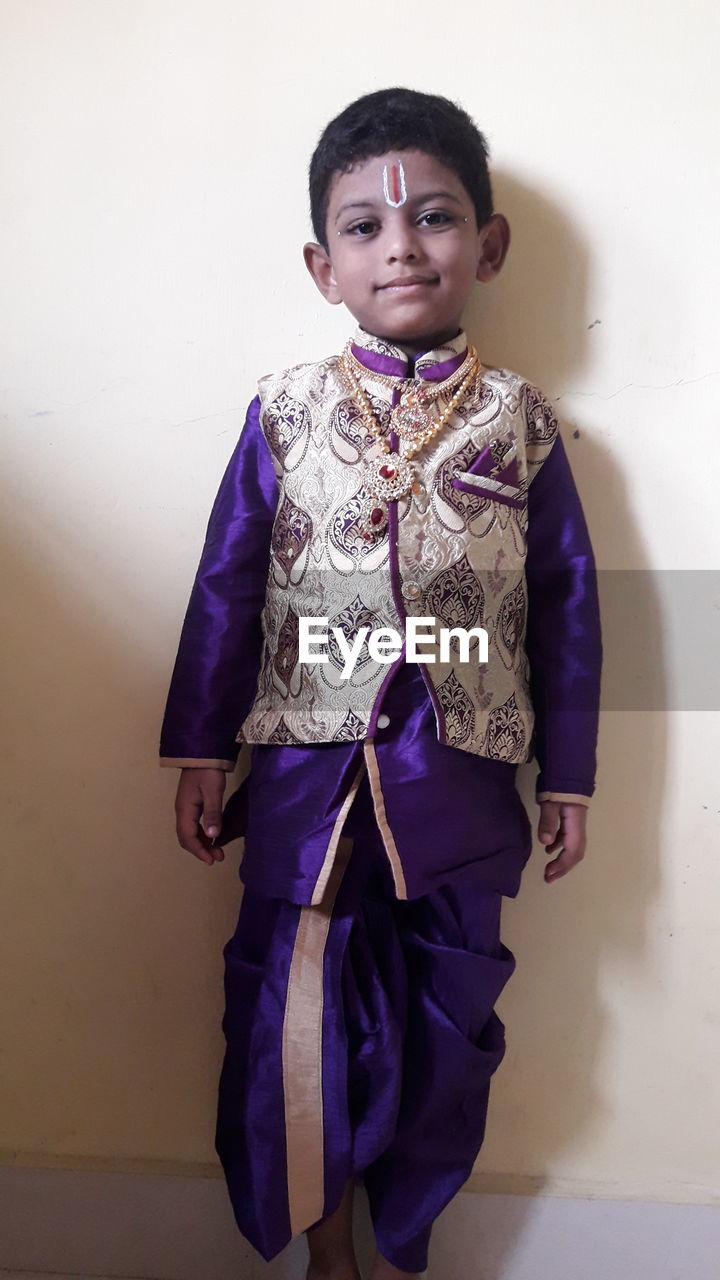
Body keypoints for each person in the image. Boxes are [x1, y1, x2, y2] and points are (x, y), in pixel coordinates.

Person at [159, 87, 602, 1280]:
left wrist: (569, 774)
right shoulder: (285, 413)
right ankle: (330, 1247)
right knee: (294, 1018)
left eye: (436, 218)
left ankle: (410, 1237)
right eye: (364, 227)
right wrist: (200, 751)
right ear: (322, 264)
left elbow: (565, 606)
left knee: (441, 1025)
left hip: (455, 782)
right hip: (307, 777)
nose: (401, 245)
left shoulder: (524, 424)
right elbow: (224, 586)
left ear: (488, 244)